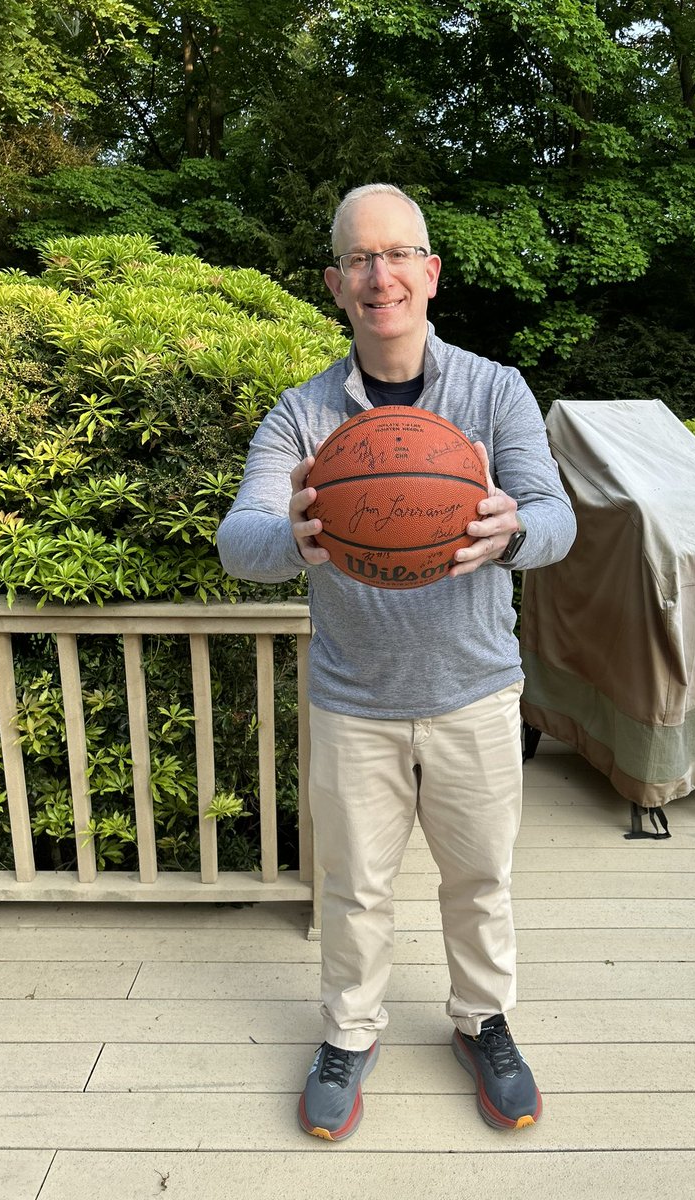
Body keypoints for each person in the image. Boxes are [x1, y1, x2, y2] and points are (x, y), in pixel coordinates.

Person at [216, 183, 576, 1140]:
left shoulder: (495, 392)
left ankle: (483, 1022)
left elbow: (557, 519)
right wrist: (295, 535)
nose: (382, 277)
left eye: (399, 254)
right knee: (354, 889)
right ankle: (349, 1031)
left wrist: (512, 533)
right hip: (353, 698)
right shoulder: (303, 415)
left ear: (431, 272)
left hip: (475, 690)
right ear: (337, 283)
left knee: (481, 881)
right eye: (360, 259)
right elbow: (238, 538)